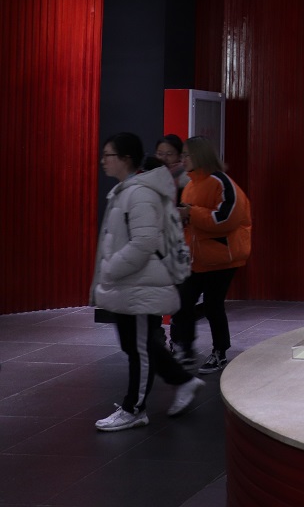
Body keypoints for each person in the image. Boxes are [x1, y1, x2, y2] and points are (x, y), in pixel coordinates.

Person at [90, 133, 203, 431]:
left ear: (125, 158)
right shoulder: (127, 190)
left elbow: (143, 242)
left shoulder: (139, 193)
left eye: (108, 155)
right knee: (138, 345)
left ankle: (135, 408)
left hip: (141, 282)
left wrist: (111, 268)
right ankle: (182, 380)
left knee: (139, 347)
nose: (103, 161)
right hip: (132, 282)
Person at [172, 136, 252, 375]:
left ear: (199, 155)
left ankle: (220, 352)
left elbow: (225, 219)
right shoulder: (191, 185)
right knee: (184, 302)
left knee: (212, 305)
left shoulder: (221, 182)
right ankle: (184, 349)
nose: (182, 160)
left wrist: (190, 213)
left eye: (186, 155)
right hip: (198, 258)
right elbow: (192, 221)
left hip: (223, 257)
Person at [154, 133, 189, 198]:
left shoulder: (187, 179)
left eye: (169, 154)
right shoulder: (151, 175)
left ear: (180, 156)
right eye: (160, 154)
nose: (164, 158)